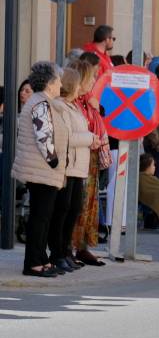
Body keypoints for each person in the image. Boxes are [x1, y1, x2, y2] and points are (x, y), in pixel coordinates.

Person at [14, 62, 69, 277]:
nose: (61, 84)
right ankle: (33, 263)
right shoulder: (40, 103)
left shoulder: (43, 101)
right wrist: (54, 162)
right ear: (50, 82)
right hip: (42, 169)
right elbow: (44, 136)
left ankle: (41, 259)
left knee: (43, 217)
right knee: (40, 217)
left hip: (43, 169)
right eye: (58, 80)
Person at [48, 67, 96, 272]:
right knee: (63, 211)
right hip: (68, 167)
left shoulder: (73, 106)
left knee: (73, 209)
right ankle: (57, 253)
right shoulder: (60, 107)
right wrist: (91, 138)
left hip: (78, 167)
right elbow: (66, 137)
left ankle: (65, 251)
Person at [68, 59, 109, 265]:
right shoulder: (73, 102)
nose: (95, 79)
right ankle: (69, 246)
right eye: (91, 76)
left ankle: (82, 246)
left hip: (91, 158)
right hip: (78, 156)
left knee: (89, 203)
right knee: (77, 203)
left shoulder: (90, 101)